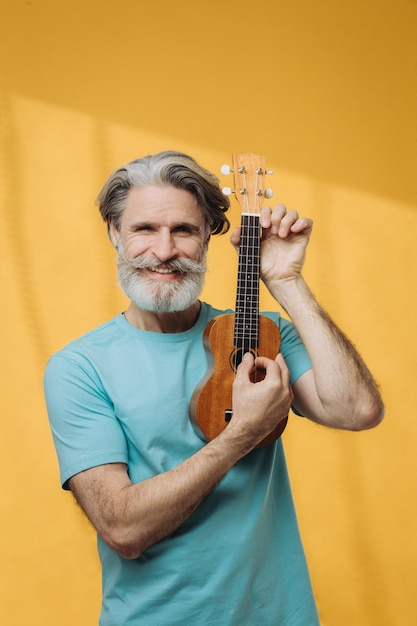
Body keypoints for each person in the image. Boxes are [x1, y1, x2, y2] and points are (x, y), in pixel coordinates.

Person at [44, 150, 384, 625]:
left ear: (207, 238)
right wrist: (242, 433)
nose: (163, 251)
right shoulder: (79, 367)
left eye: (183, 230)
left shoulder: (262, 335)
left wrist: (286, 280)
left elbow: (358, 410)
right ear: (114, 233)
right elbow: (122, 527)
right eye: (144, 229)